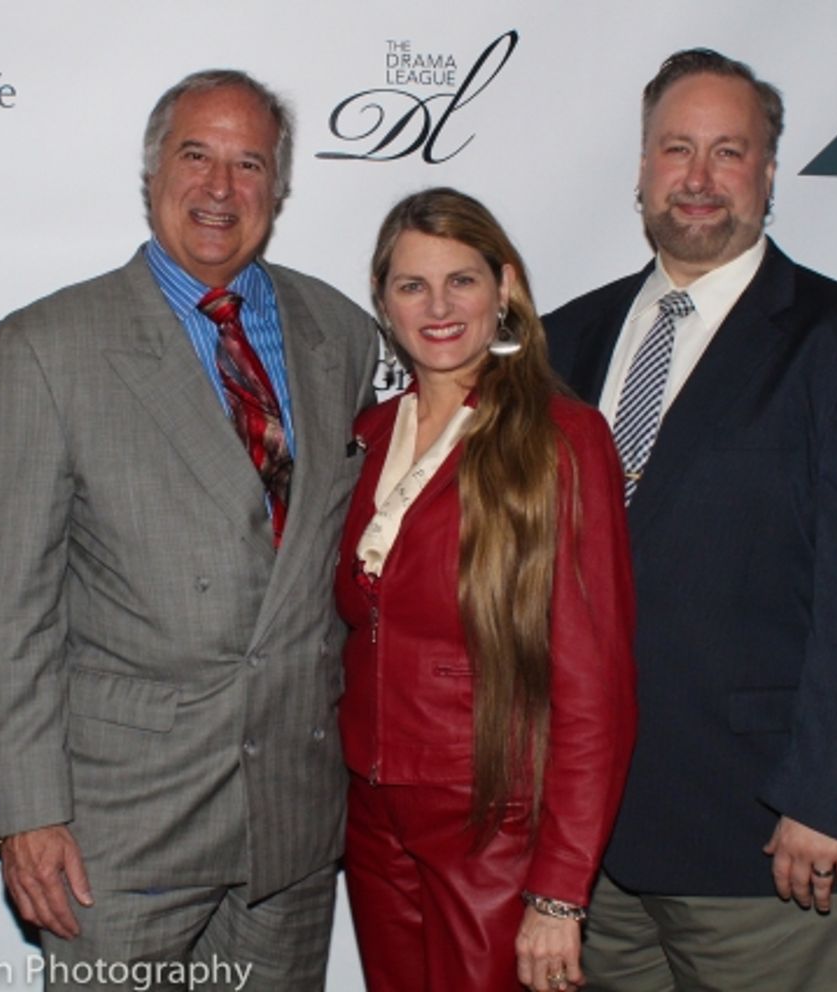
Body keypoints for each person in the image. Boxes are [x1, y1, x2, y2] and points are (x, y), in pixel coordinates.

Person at [542, 49, 837, 992]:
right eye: (675, 149)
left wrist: (828, 800)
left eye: (729, 152)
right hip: (585, 852)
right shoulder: (566, 339)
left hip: (768, 852)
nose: (697, 178)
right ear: (641, 167)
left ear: (769, 172)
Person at [0, 69, 376, 990]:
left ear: (279, 189)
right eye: (197, 155)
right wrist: (28, 813)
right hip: (120, 828)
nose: (221, 188)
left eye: (250, 164)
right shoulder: (47, 346)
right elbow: (10, 613)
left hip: (294, 823)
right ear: (152, 170)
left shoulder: (342, 334)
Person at [337, 187, 638, 992]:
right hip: (370, 820)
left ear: (503, 289)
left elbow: (594, 687)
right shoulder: (365, 437)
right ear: (383, 302)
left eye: (461, 281)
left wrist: (561, 890)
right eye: (411, 285)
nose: (437, 306)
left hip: (494, 828)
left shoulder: (559, 439)